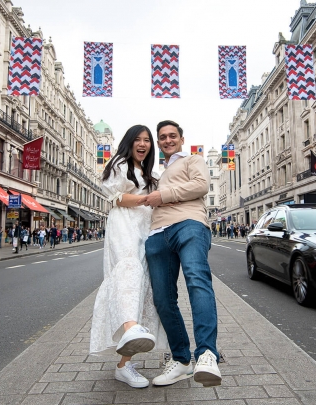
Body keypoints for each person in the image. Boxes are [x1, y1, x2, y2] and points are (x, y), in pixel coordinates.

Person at [139, 120, 222, 387]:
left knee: (197, 280)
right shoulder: (157, 171)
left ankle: (207, 353)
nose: (167, 140)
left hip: (189, 224)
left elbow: (201, 186)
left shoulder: (192, 159)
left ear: (181, 139)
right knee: (162, 299)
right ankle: (181, 359)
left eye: (172, 135)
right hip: (156, 234)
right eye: (162, 137)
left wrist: (163, 195)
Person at [90, 124, 168, 389]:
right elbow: (116, 198)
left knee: (142, 288)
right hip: (124, 225)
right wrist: (148, 199)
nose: (143, 144)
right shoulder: (120, 164)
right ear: (129, 142)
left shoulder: (151, 173)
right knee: (128, 271)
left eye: (147, 140)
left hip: (145, 228)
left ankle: (123, 365)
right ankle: (130, 328)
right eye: (138, 139)